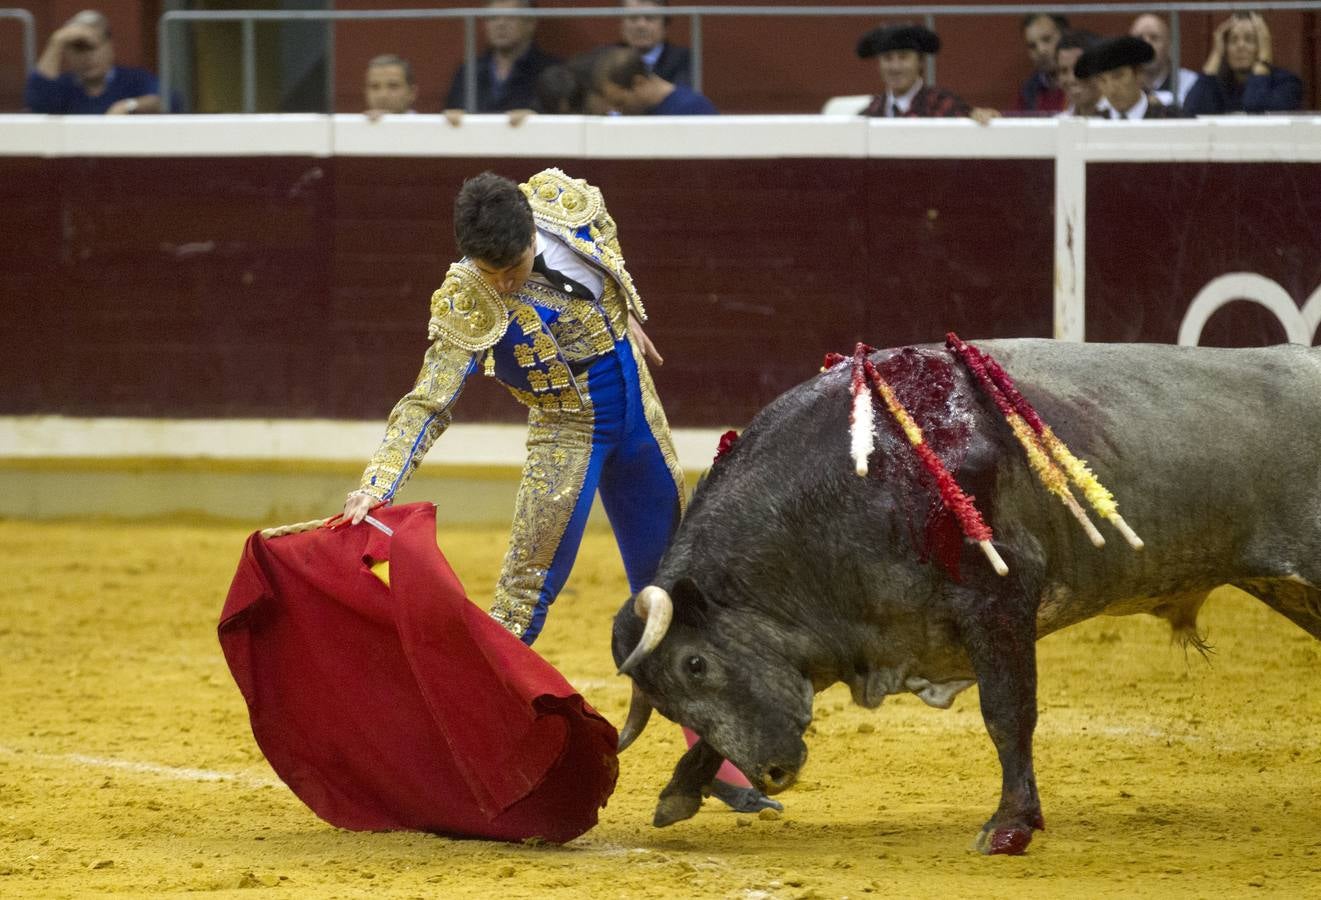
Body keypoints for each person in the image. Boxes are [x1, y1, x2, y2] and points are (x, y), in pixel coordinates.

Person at [341, 169, 775, 813]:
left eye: (514, 269)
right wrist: (376, 486)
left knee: (676, 587)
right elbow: (428, 402)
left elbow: (613, 265)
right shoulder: (468, 296)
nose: (506, 285)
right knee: (523, 600)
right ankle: (462, 752)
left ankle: (717, 761)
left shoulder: (569, 204)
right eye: (492, 273)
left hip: (639, 421)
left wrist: (622, 318)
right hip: (567, 437)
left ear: (533, 235)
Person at [25, 9, 162, 115]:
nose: (87, 57)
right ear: (67, 54)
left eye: (92, 48)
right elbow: (37, 102)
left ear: (110, 46)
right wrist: (56, 42)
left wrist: (128, 106)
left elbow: (168, 100)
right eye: (78, 49)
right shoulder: (63, 85)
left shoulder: (135, 79)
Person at [442, 0, 559, 121]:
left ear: (531, 23)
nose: (500, 24)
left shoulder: (551, 71)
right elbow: (452, 113)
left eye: (510, 17)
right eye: (493, 18)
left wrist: (537, 119)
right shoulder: (468, 72)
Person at [1183, 12, 1303, 115]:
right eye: (1233, 40)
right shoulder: (1219, 84)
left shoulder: (1287, 83)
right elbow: (1191, 110)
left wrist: (1263, 61)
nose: (1240, 46)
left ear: (1263, 46)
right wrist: (1216, 54)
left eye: (1249, 39)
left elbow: (1254, 109)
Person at [856, 25, 972, 118]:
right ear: (879, 65)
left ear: (920, 62)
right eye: (887, 58)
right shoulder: (870, 113)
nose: (895, 67)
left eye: (904, 57)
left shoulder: (944, 106)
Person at [1075, 35, 1183, 120]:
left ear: (1138, 74)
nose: (1111, 89)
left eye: (1118, 76)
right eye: (1102, 80)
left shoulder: (1169, 120)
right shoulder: (1093, 125)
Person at [592, 46, 716, 115]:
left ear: (639, 83)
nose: (615, 112)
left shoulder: (693, 110)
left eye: (620, 103)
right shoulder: (643, 111)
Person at [1129, 13, 1198, 108]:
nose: (1146, 44)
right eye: (1139, 38)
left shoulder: (1191, 84)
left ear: (1170, 47)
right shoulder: (1119, 86)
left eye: (1154, 38)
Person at [618, 0, 691, 86]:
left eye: (650, 18)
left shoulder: (684, 59)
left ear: (665, 25)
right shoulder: (607, 58)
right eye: (633, 18)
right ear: (621, 24)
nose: (641, 25)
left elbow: (681, 96)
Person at [1014, 13, 1070, 113]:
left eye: (1047, 39)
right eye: (1032, 46)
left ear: (1066, 37)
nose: (1041, 50)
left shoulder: (1087, 82)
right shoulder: (1029, 90)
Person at [1055, 30, 1104, 117]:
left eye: (1080, 68)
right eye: (1063, 71)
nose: (1071, 79)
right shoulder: (1056, 124)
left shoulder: (1122, 118)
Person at [363, 54, 418, 120]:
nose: (383, 95)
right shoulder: (353, 128)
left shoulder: (429, 128)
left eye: (393, 86)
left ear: (412, 92)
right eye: (374, 87)